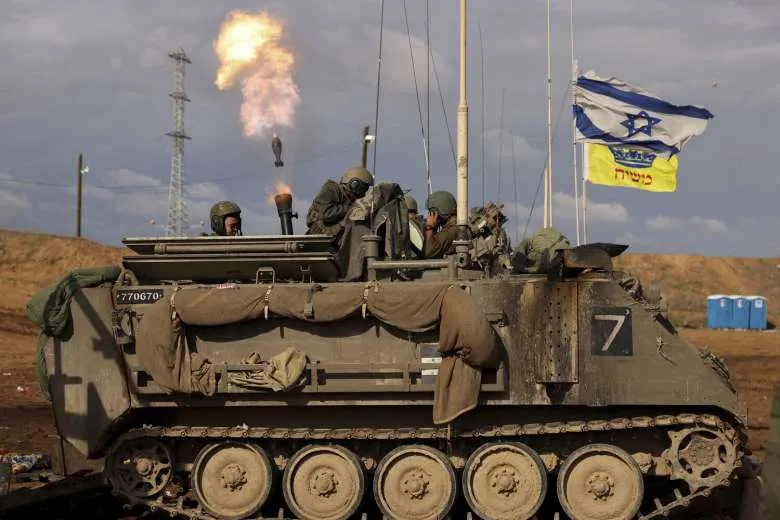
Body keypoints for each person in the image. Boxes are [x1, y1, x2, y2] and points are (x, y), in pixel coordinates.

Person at [306, 166, 374, 235]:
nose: (364, 193)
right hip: (319, 233)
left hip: (335, 235)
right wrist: (351, 207)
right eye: (363, 188)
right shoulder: (331, 189)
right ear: (354, 184)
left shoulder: (352, 198)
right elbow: (326, 214)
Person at [423, 190, 458, 258]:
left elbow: (428, 252)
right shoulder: (454, 227)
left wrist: (429, 227)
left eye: (432, 212)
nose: (429, 216)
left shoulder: (452, 230)